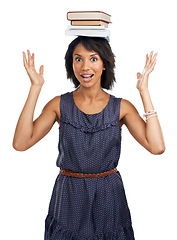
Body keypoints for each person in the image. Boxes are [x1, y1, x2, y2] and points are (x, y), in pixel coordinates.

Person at [13, 36, 165, 240]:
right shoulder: (59, 104)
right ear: (71, 64)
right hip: (69, 195)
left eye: (93, 59)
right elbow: (21, 143)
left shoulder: (122, 107)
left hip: (108, 194)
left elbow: (156, 147)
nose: (85, 67)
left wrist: (144, 91)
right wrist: (35, 88)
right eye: (78, 59)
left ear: (105, 64)